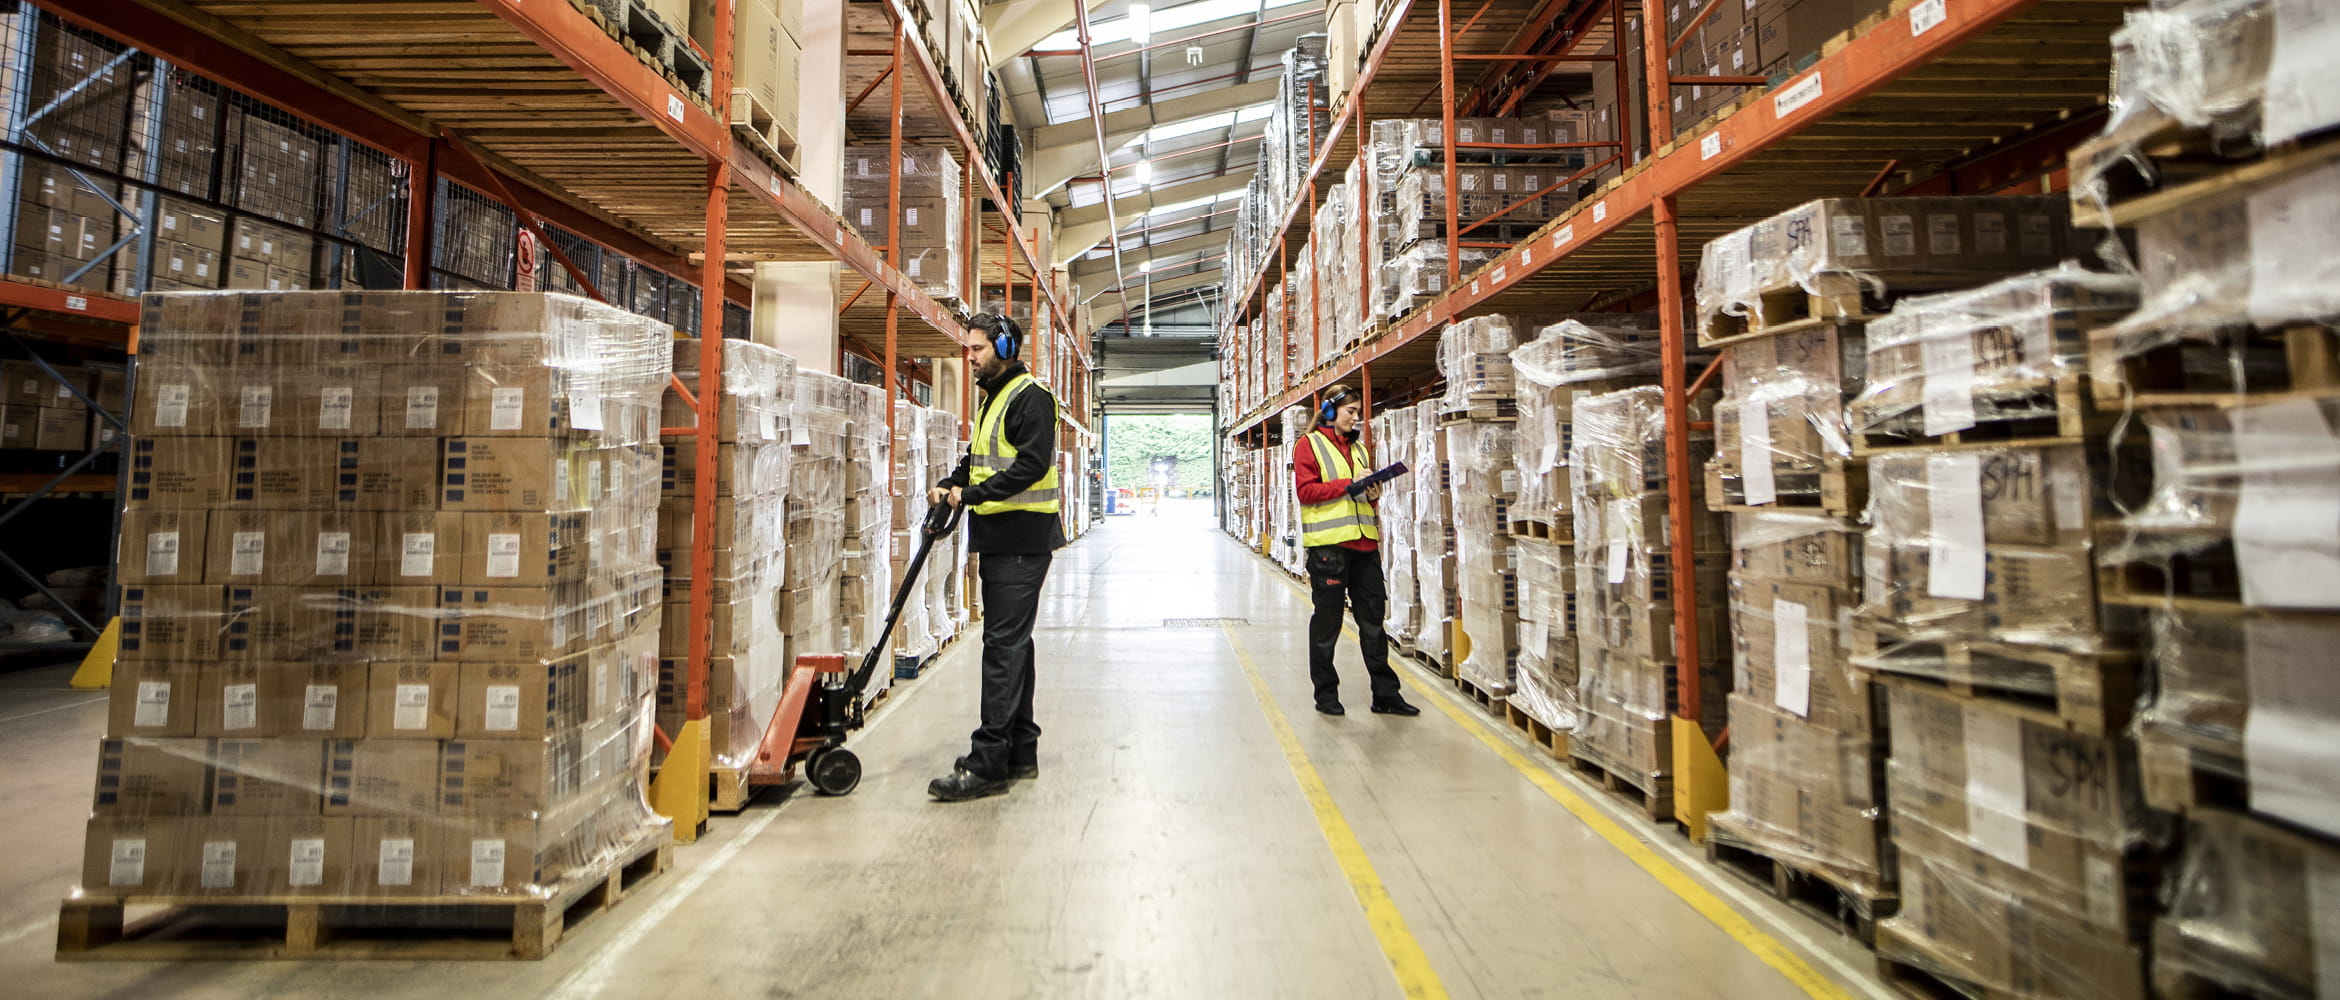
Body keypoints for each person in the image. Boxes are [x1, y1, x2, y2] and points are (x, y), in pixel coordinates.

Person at [926, 313, 1065, 801]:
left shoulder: (1031, 398)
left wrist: (974, 495)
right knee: (1014, 644)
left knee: (1001, 648)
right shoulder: (995, 399)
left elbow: (1031, 464)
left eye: (979, 349)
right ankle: (1021, 750)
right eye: (970, 348)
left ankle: (987, 764)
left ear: (1005, 348)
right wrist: (952, 482)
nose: (972, 357)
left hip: (1022, 541)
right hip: (1002, 538)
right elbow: (976, 458)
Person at [1292, 386, 1419, 718]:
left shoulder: (1360, 449)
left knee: (1374, 626)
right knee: (1327, 626)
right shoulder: (1309, 446)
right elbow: (1306, 492)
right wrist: (1349, 485)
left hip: (1365, 547)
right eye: (1350, 411)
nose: (1355, 417)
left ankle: (1386, 695)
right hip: (1329, 550)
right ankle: (1326, 695)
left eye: (1358, 411)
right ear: (1331, 411)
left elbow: (1360, 498)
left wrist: (1371, 491)